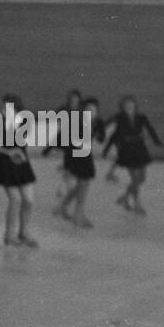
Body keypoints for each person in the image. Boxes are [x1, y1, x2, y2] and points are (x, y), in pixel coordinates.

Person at [0, 93, 40, 247]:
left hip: (22, 164)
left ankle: (24, 233)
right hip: (5, 165)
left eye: (6, 106)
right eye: (3, 106)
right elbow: (0, 144)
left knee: (28, 201)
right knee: (15, 200)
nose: (3, 109)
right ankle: (9, 236)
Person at [103, 95, 162, 216]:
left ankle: (125, 197)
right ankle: (137, 205)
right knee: (135, 178)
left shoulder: (141, 117)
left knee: (141, 178)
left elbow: (150, 129)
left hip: (140, 149)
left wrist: (156, 140)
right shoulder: (119, 118)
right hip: (127, 150)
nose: (129, 107)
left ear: (135, 106)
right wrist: (106, 149)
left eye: (131, 104)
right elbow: (113, 134)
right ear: (122, 107)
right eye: (126, 105)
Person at [54, 96, 103, 228]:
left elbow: (100, 138)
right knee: (83, 185)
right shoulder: (76, 121)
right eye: (89, 109)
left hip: (85, 156)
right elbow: (60, 139)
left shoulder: (94, 123)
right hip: (77, 157)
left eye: (94, 110)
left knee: (82, 186)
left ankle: (67, 209)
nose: (91, 112)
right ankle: (77, 215)